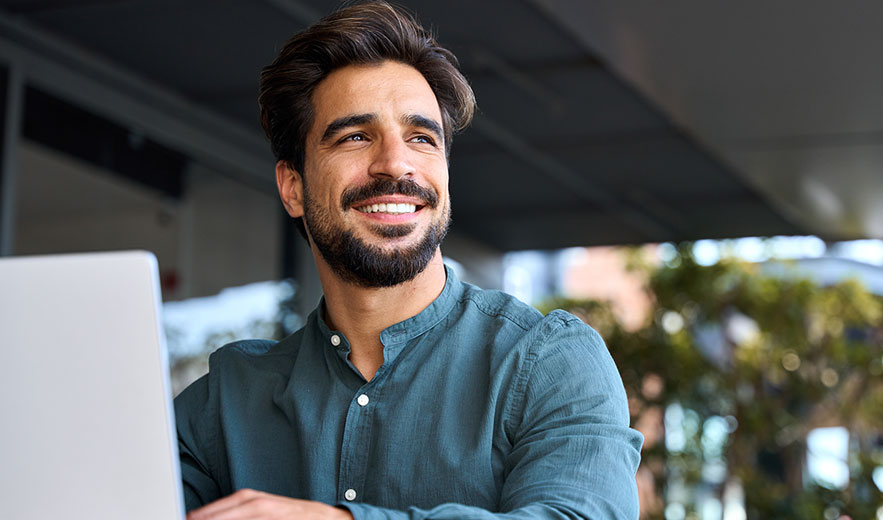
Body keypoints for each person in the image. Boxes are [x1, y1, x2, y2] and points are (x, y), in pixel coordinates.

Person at [174, 2, 643, 519]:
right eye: (355, 136)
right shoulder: (225, 401)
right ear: (293, 187)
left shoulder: (547, 362)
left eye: (421, 138)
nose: (396, 163)